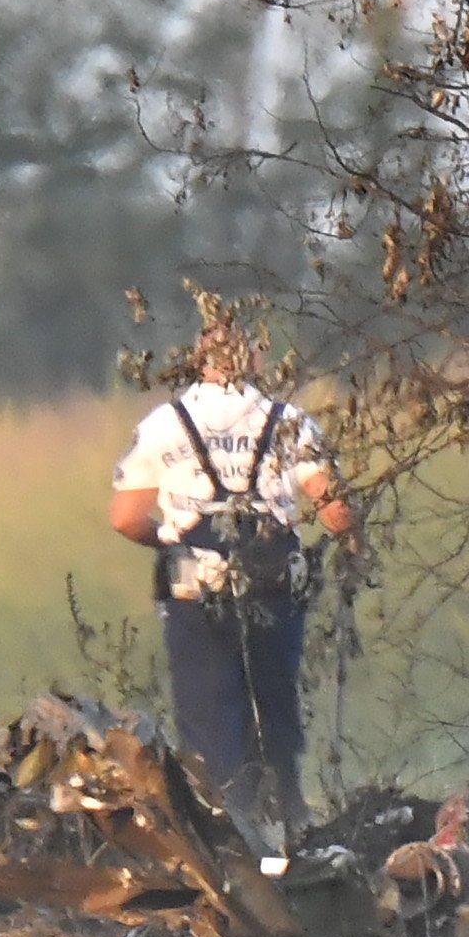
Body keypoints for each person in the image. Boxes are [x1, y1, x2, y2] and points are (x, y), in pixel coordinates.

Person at [106, 306, 355, 872]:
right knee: (275, 710)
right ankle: (291, 831)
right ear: (257, 359)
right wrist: (345, 546)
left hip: (195, 590)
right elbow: (335, 508)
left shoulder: (163, 425)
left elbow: (125, 517)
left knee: (209, 721)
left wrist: (171, 540)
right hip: (274, 587)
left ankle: (231, 850)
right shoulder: (290, 421)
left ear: (198, 360)